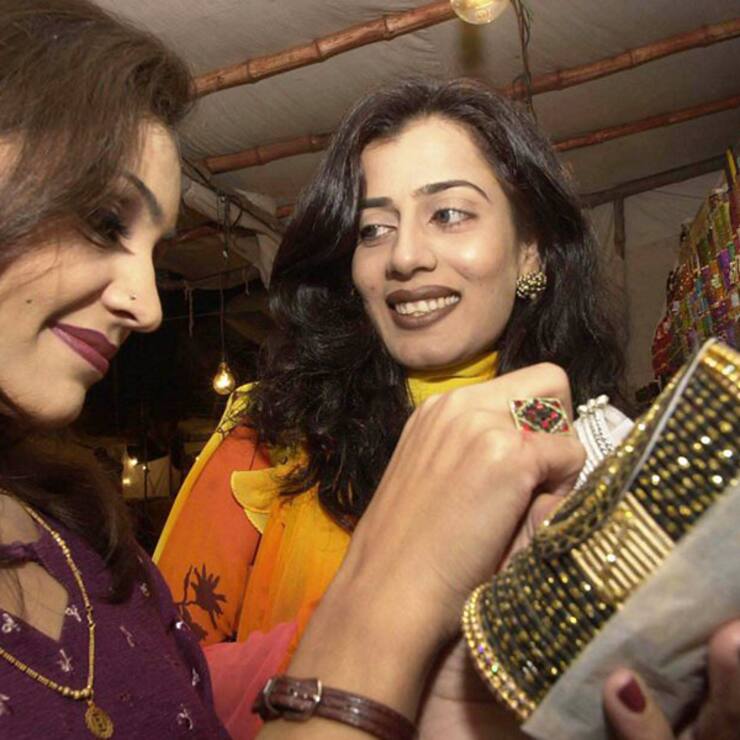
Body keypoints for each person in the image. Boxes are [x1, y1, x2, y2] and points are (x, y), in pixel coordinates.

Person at [155, 76, 740, 739]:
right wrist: (376, 652)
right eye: (374, 228)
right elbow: (156, 678)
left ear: (529, 248)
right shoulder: (270, 436)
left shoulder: (598, 451)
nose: (405, 256)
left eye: (450, 214)